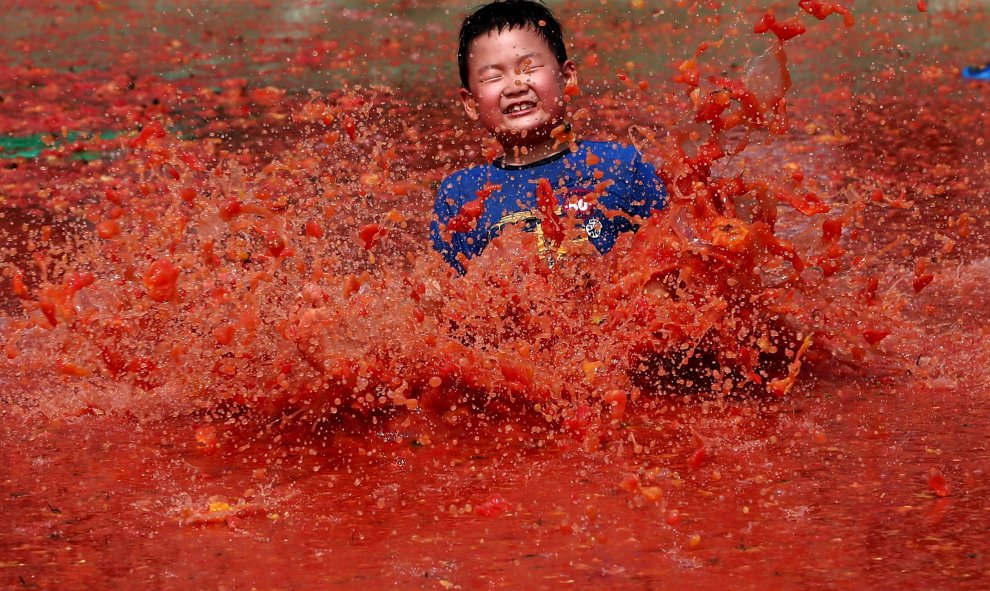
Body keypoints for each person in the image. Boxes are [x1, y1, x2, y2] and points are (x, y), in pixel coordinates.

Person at [430, 0, 667, 274]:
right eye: (493, 77)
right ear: (470, 103)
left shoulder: (621, 166)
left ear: (567, 78)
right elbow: (444, 298)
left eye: (528, 67)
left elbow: (670, 266)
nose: (515, 86)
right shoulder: (462, 195)